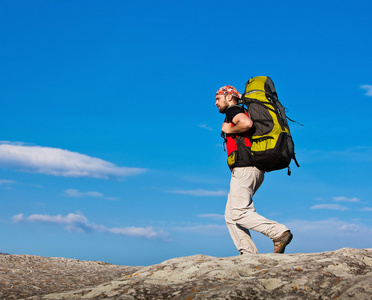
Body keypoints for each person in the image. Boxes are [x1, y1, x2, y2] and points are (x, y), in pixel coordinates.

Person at [215, 85, 293, 254]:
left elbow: (246, 123)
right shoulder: (241, 110)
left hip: (245, 169)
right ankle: (248, 254)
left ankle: (278, 232)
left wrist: (230, 129)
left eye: (218, 98)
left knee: (239, 212)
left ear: (229, 97)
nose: (215, 103)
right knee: (230, 215)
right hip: (252, 169)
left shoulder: (233, 110)